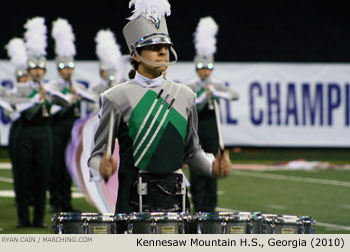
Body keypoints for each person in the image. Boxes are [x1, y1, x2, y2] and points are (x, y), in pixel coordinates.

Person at [88, 0, 232, 214]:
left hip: (177, 197)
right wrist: (100, 166)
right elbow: (96, 155)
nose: (163, 52)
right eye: (154, 47)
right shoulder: (114, 97)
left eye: (166, 47)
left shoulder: (186, 96)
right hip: (132, 200)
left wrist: (212, 166)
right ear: (135, 54)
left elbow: (192, 152)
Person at [11, 17, 69, 228]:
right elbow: (17, 109)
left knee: (42, 174)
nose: (36, 72)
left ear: (44, 71)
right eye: (33, 69)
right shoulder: (21, 89)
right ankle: (23, 218)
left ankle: (38, 219)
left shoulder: (48, 88)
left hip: (44, 131)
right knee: (23, 175)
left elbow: (65, 102)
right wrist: (35, 98)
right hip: (24, 132)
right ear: (29, 70)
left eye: (40, 69)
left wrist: (50, 95)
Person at [187, 17, 239, 213]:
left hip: (212, 133)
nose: (205, 73)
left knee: (214, 167)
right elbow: (189, 104)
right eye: (201, 69)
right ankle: (198, 207)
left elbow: (235, 95)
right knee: (197, 169)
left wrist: (217, 93)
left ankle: (211, 207)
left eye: (208, 68)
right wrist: (202, 96)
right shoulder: (191, 86)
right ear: (196, 69)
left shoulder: (215, 85)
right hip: (196, 132)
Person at [47, 18, 95, 213]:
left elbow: (94, 97)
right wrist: (69, 97)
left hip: (70, 130)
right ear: (59, 69)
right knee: (55, 165)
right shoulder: (52, 86)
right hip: (56, 129)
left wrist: (78, 93)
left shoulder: (75, 86)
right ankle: (54, 201)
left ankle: (65, 202)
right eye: (64, 68)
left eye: (70, 68)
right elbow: (52, 108)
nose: (68, 71)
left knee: (68, 166)